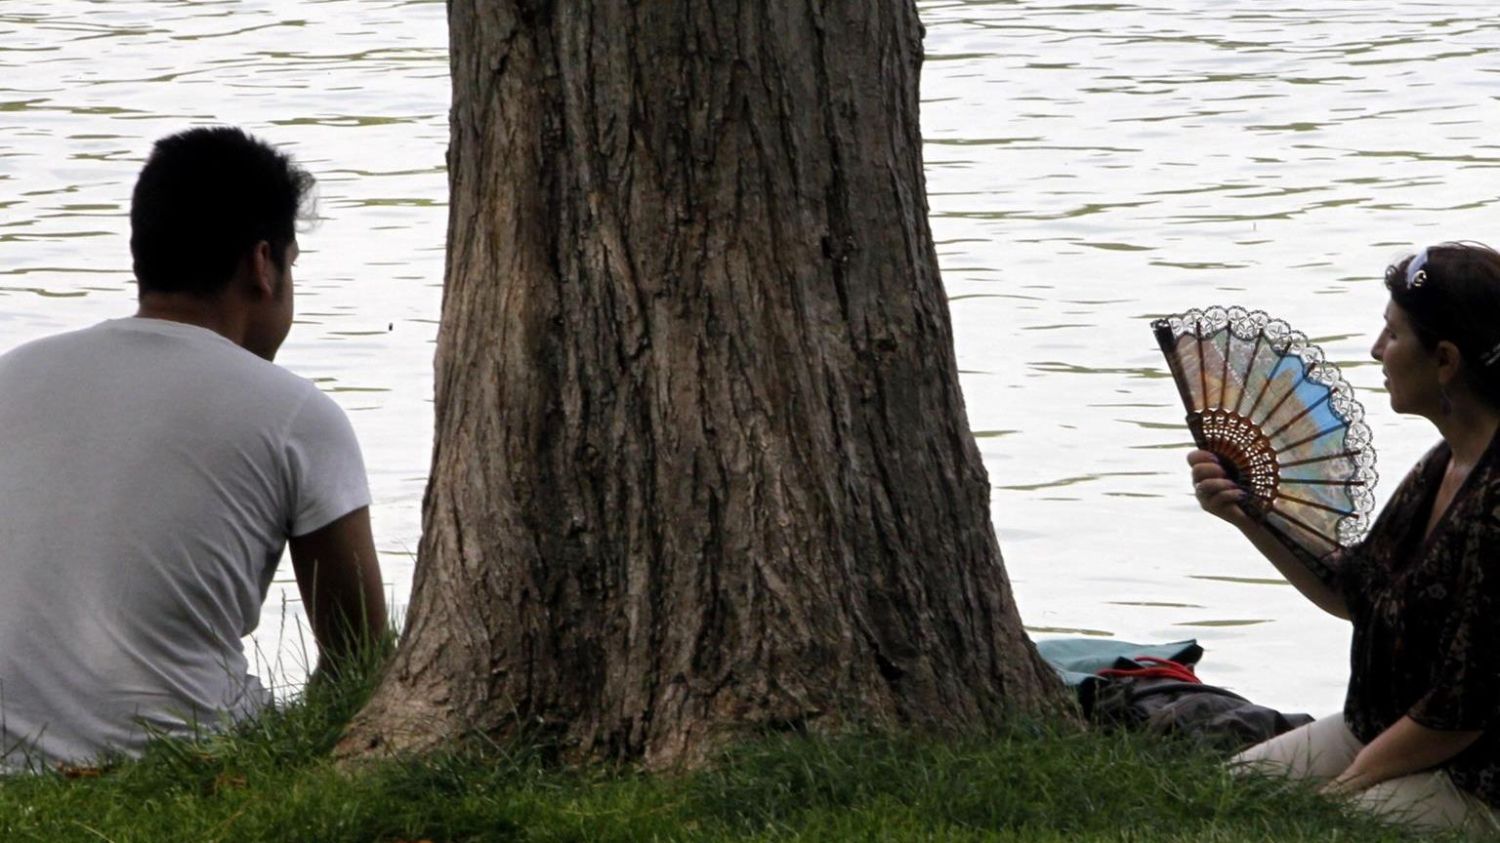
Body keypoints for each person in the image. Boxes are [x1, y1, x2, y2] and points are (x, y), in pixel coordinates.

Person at [0, 127, 387, 772]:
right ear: (263, 265)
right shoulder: (297, 415)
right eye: (292, 264)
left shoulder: (10, 377)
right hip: (188, 755)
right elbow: (361, 660)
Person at [1189, 242, 1500, 835]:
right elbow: (1353, 591)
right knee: (1226, 797)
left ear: (1445, 361)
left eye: (1393, 335)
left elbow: (1465, 709)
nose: (1377, 351)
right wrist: (1247, 514)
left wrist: (1347, 785)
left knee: (1329, 827)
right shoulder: (1443, 462)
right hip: (1386, 727)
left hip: (1478, 777)